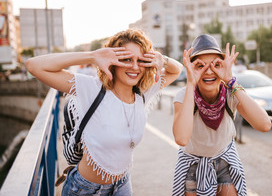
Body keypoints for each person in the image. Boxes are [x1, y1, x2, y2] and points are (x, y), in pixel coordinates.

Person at [26, 28, 183, 196]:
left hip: (122, 185)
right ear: (112, 61)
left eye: (141, 60)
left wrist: (162, 59)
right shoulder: (91, 88)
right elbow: (34, 66)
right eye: (127, 59)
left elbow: (177, 69)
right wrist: (92, 56)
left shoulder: (143, 92)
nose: (135, 66)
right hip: (84, 189)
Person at [172, 34, 272, 196]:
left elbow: (264, 125)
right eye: (200, 65)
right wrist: (191, 83)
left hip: (225, 159)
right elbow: (181, 139)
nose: (209, 71)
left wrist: (231, 80)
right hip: (193, 163)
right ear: (191, 68)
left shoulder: (231, 93)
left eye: (216, 64)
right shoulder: (184, 95)